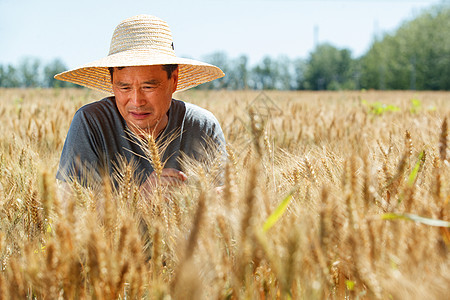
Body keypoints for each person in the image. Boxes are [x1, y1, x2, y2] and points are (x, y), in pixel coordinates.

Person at [55, 14, 226, 188]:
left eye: (148, 87)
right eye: (125, 87)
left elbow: (225, 201)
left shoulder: (202, 126)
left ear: (173, 80)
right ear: (112, 82)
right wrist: (140, 202)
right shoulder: (91, 122)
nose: (136, 101)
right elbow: (73, 208)